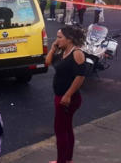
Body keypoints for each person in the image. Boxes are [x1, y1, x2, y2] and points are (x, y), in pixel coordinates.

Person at [45, 26, 86, 163]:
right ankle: (67, 159)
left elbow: (80, 77)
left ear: (70, 39)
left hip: (68, 98)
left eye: (59, 37)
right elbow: (48, 62)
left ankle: (62, 161)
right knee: (67, 128)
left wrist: (68, 95)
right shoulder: (63, 52)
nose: (57, 40)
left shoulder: (77, 53)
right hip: (60, 96)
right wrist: (53, 49)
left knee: (60, 130)